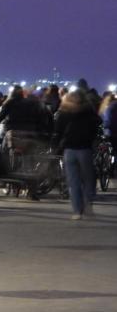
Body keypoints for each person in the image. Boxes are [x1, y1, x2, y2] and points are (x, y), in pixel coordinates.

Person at [53, 90, 102, 220]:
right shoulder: (88, 111)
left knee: (73, 181)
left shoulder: (64, 112)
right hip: (85, 148)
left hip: (69, 149)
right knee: (88, 179)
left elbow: (57, 131)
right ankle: (88, 204)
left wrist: (56, 146)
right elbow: (98, 123)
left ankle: (77, 211)